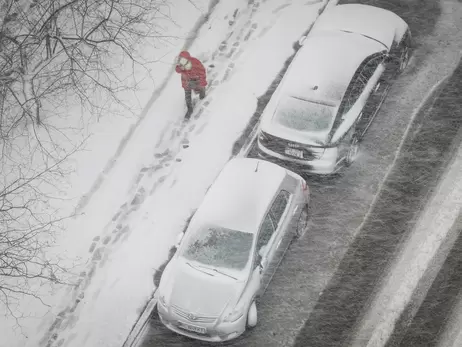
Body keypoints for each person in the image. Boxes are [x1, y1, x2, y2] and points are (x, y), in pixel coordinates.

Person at [175, 51, 207, 118]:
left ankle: (202, 95)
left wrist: (202, 82)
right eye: (181, 60)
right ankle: (189, 109)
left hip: (196, 79)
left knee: (200, 88)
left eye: (183, 60)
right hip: (186, 81)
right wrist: (180, 68)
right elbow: (177, 70)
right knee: (187, 95)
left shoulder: (195, 63)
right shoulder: (181, 64)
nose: (182, 62)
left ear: (188, 58)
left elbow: (202, 72)